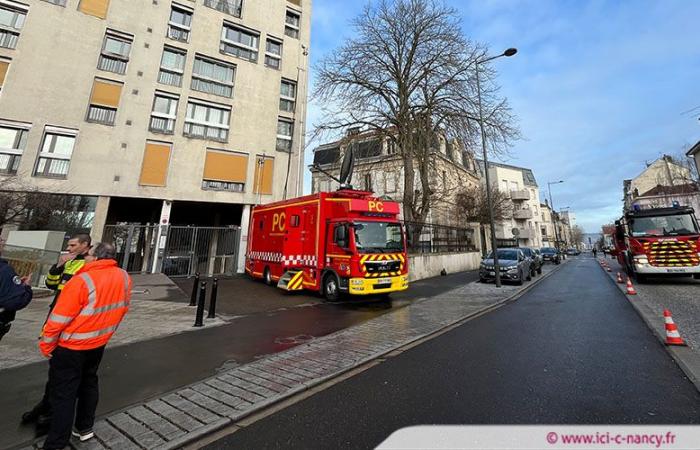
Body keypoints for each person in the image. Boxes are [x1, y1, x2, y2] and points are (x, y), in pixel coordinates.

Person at [39, 242, 131, 449]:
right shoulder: (123, 277)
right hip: (98, 343)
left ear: (96, 257)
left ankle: (55, 443)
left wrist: (47, 345)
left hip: (71, 346)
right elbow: (123, 307)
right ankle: (84, 428)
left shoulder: (82, 280)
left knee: (64, 394)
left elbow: (57, 319)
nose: (86, 257)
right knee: (89, 383)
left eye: (88, 254)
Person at [22, 234, 92, 426]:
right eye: (68, 244)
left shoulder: (87, 264)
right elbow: (52, 284)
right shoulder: (69, 262)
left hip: (70, 322)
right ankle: (47, 405)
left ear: (85, 246)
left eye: (73, 245)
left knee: (63, 372)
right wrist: (58, 266)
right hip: (57, 315)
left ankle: (52, 411)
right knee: (56, 370)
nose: (68, 248)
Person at [0, 236, 33, 342]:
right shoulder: (4, 271)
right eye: (1, 240)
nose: (3, 242)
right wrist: (26, 288)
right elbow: (15, 301)